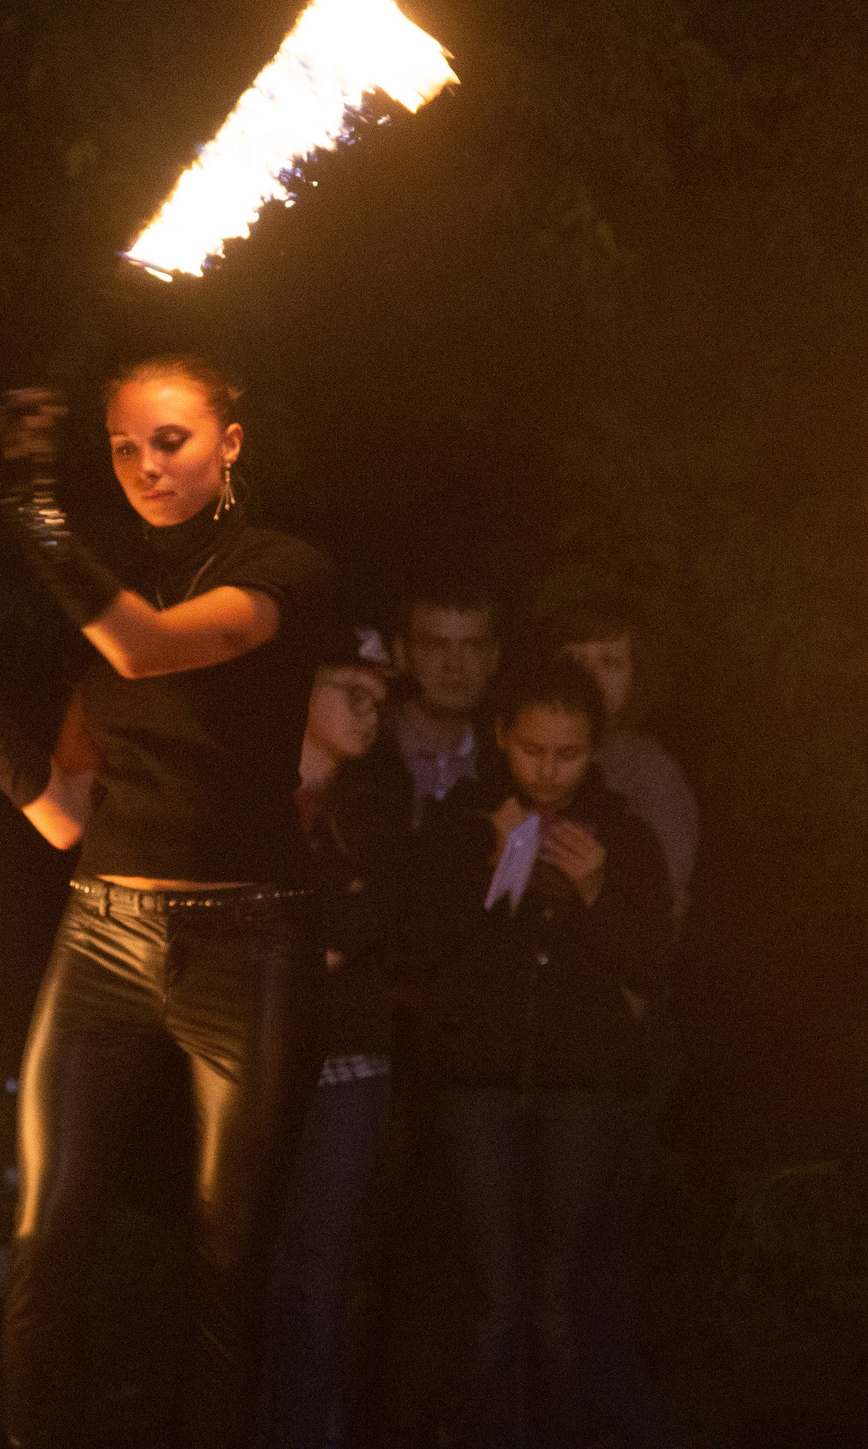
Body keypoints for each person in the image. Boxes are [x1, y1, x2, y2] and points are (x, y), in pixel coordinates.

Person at [0, 355, 335, 1449]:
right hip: (102, 937)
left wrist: (33, 514)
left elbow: (148, 649)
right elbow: (64, 814)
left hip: (249, 944)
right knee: (46, 1235)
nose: (145, 466)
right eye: (124, 448)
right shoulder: (118, 584)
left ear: (230, 441)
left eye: (170, 440)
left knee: (226, 1264)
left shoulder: (284, 569)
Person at [398, 659, 674, 1449]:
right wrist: (495, 871)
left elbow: (653, 965)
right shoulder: (461, 823)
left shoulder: (622, 834)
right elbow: (424, 954)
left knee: (558, 1298)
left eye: (569, 754)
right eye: (533, 751)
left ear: (595, 751)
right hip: (478, 1088)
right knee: (494, 1294)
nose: (549, 771)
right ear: (502, 740)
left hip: (583, 1090)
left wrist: (593, 893)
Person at [262, 625, 410, 1449]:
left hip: (343, 1062)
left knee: (315, 1273)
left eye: (380, 701)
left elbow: (362, 916)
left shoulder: (378, 803)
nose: (370, 712)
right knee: (246, 1269)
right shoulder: (250, 789)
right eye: (353, 692)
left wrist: (285, 955)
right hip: (247, 1059)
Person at [547, 600, 697, 924]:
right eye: (575, 659)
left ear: (636, 678)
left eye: (610, 662)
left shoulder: (654, 777)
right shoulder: (519, 754)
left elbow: (665, 911)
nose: (589, 675)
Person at [388, 585, 503, 827]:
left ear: (494, 657)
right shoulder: (361, 753)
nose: (454, 664)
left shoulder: (512, 764)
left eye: (473, 646)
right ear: (401, 654)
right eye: (435, 645)